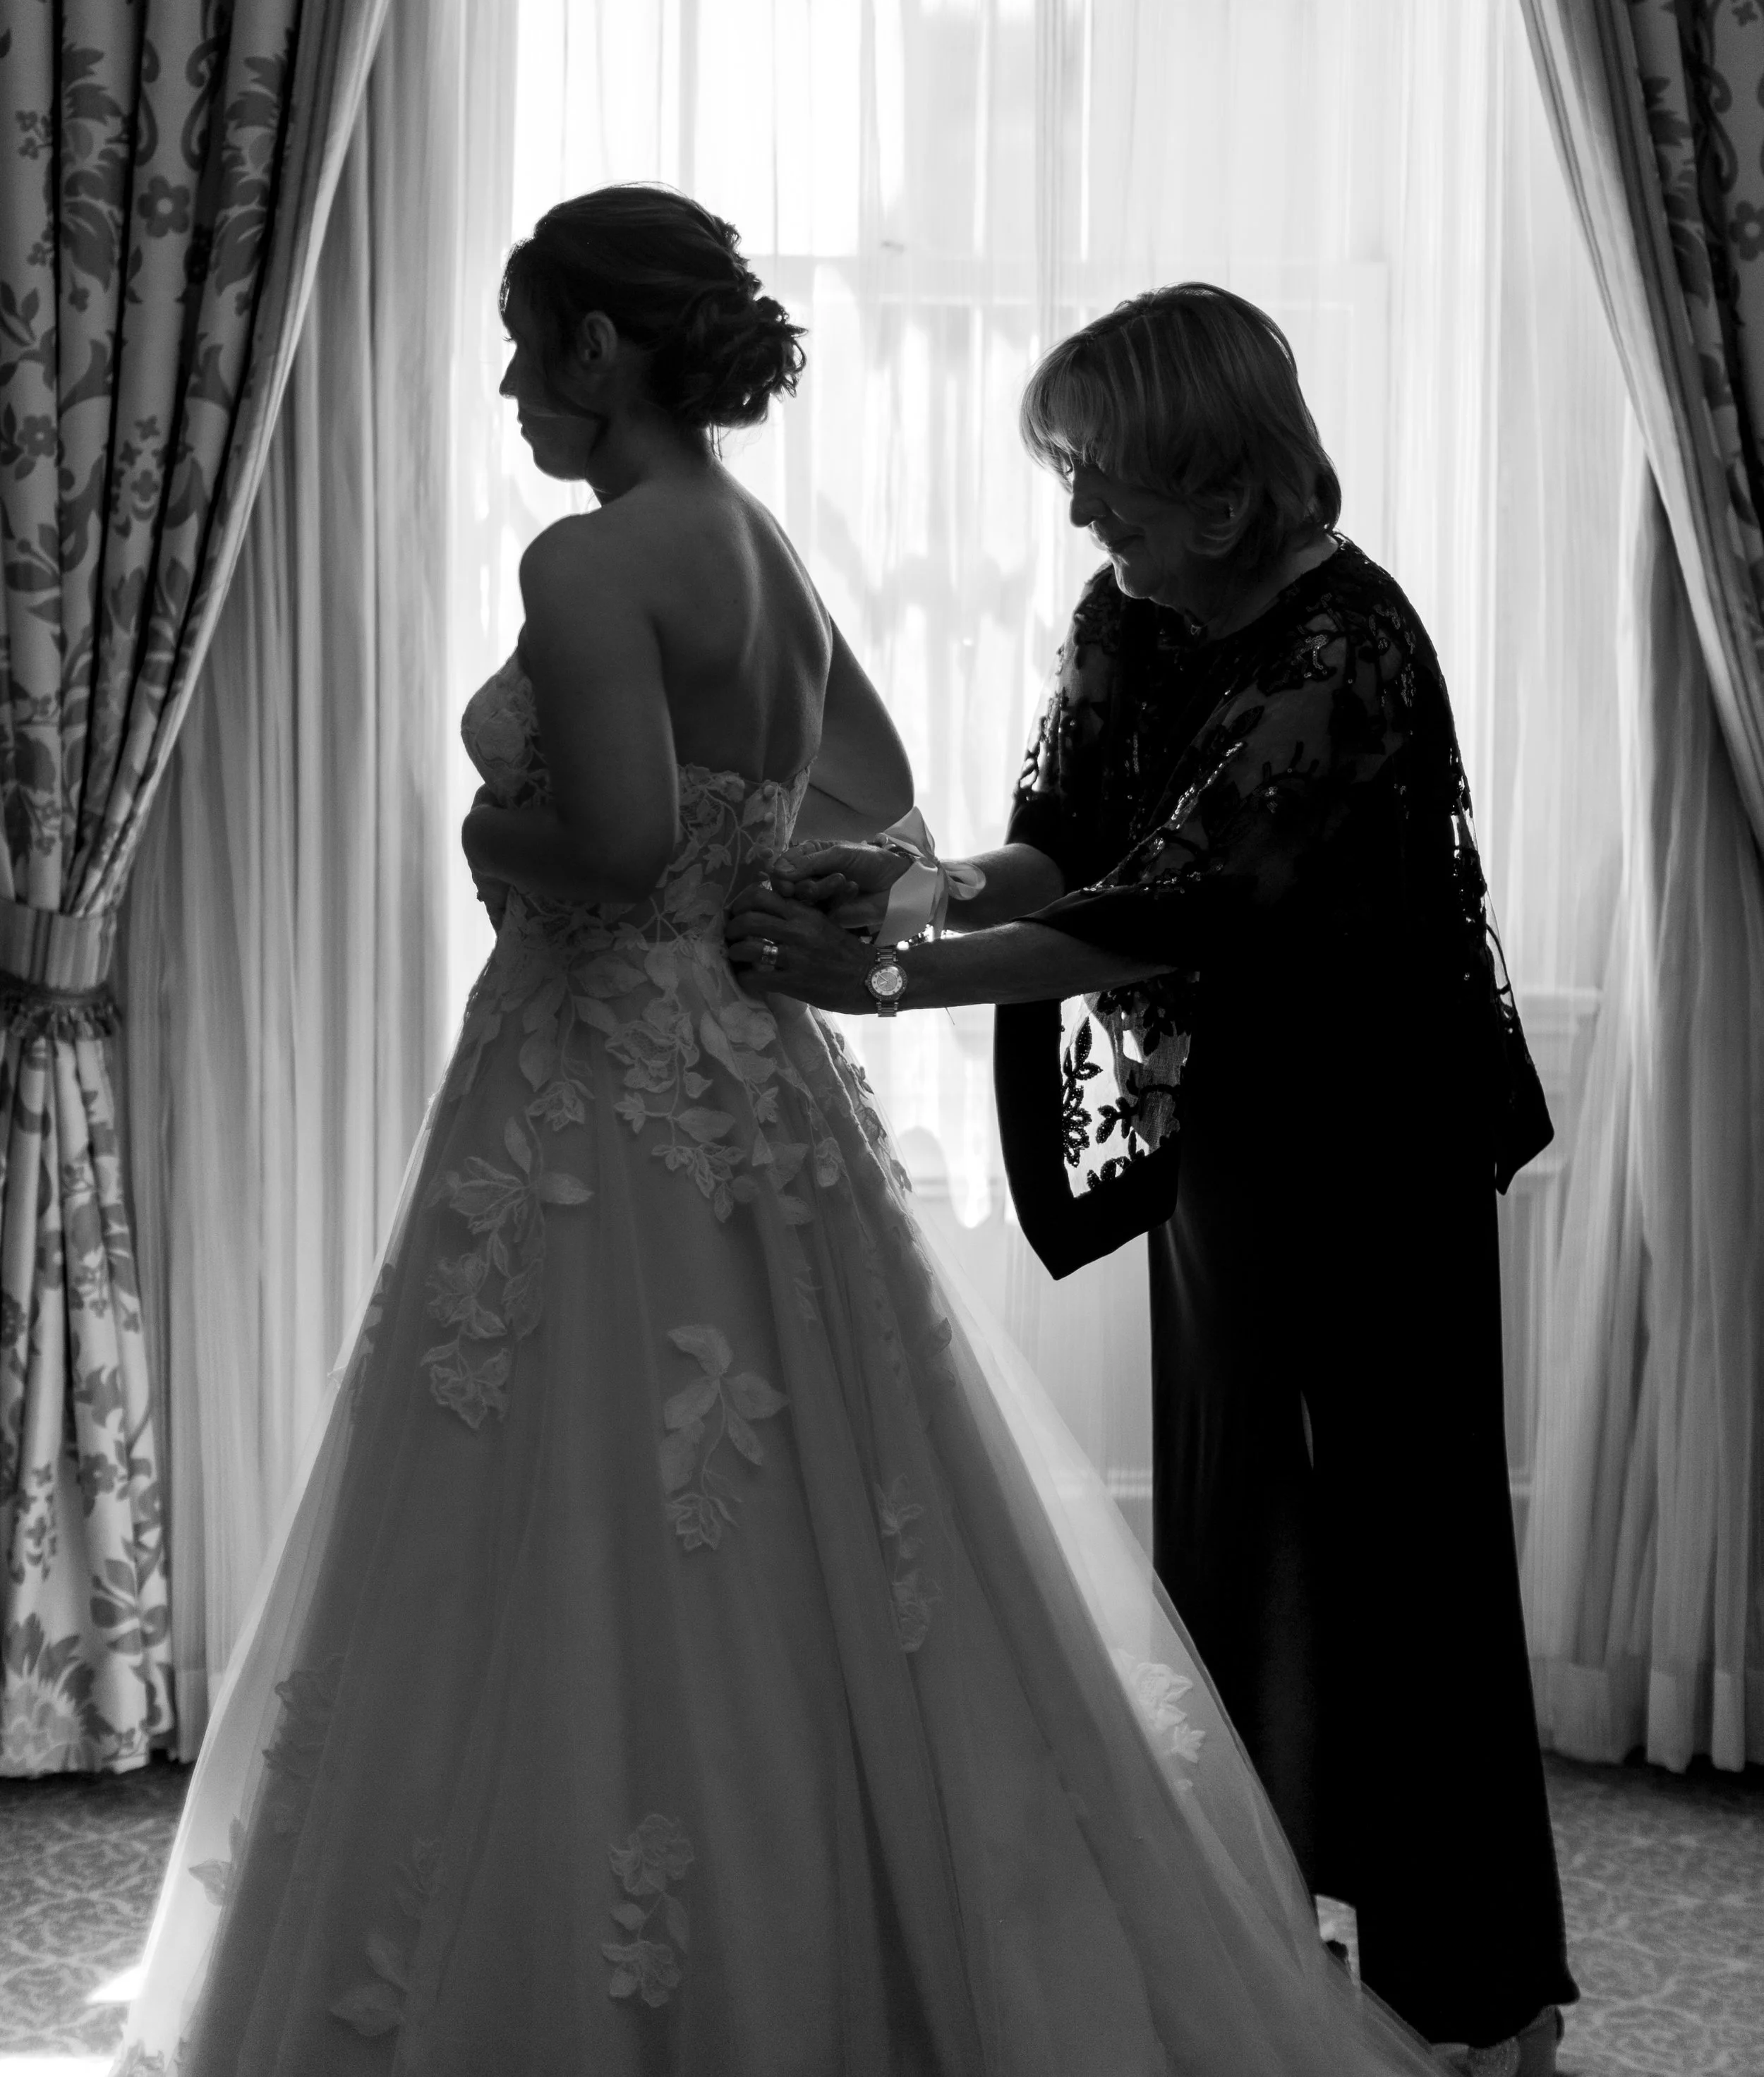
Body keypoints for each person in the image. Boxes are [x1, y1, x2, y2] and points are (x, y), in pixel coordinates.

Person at [121, 198, 1452, 2077]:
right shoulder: (755, 546)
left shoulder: (591, 566)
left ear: (603, 353)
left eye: (527, 341)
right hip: (752, 1075)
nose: (510, 380)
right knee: (827, 1524)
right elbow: (890, 792)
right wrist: (799, 878)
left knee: (565, 1505)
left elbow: (600, 839)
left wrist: (482, 835)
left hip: (596, 1084)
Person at [730, 285, 1578, 2077]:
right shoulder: (1133, 609)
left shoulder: (1344, 654)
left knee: (1405, 1546)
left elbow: (1165, 905)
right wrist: (917, 892)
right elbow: (1069, 839)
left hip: (1381, 1142)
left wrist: (882, 987)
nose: (1078, 518)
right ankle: (1259, 1942)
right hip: (1231, 1143)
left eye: (1103, 481)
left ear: (1220, 490)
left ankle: (1476, 1991)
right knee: (1230, 1531)